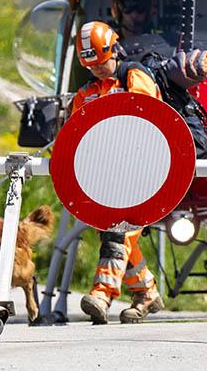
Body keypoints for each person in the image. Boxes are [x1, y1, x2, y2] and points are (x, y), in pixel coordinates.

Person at [70, 21, 165, 325]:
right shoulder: (85, 94)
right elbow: (74, 136)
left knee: (118, 230)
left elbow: (148, 120)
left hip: (144, 172)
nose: (97, 70)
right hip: (107, 177)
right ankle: (147, 293)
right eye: (91, 65)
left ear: (114, 50)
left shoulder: (135, 77)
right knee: (124, 237)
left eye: (101, 62)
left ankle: (102, 294)